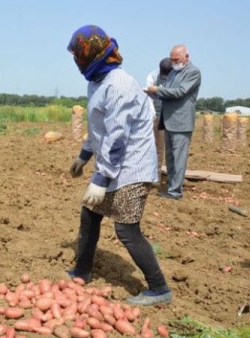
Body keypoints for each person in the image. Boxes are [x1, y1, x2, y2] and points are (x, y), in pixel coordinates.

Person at [66, 25, 172, 306]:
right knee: (90, 215)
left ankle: (159, 288)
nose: (78, 62)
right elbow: (98, 128)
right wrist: (84, 156)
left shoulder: (119, 85)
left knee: (126, 229)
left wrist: (100, 179)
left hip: (132, 167)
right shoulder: (97, 82)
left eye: (80, 56)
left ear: (93, 55)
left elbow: (117, 138)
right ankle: (82, 271)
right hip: (113, 166)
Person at [145, 45, 202, 200]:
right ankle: (171, 188)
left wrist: (156, 90)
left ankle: (176, 191)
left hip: (181, 122)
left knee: (179, 157)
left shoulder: (193, 73)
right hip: (168, 120)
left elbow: (179, 92)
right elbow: (166, 92)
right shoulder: (173, 73)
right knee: (170, 157)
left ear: (186, 57)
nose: (174, 62)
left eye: (176, 59)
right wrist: (152, 93)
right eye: (172, 59)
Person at [145, 57, 173, 184]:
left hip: (172, 116)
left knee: (173, 148)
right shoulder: (152, 76)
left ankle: (172, 178)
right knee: (158, 148)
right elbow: (150, 97)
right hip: (157, 115)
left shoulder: (177, 76)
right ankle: (155, 177)